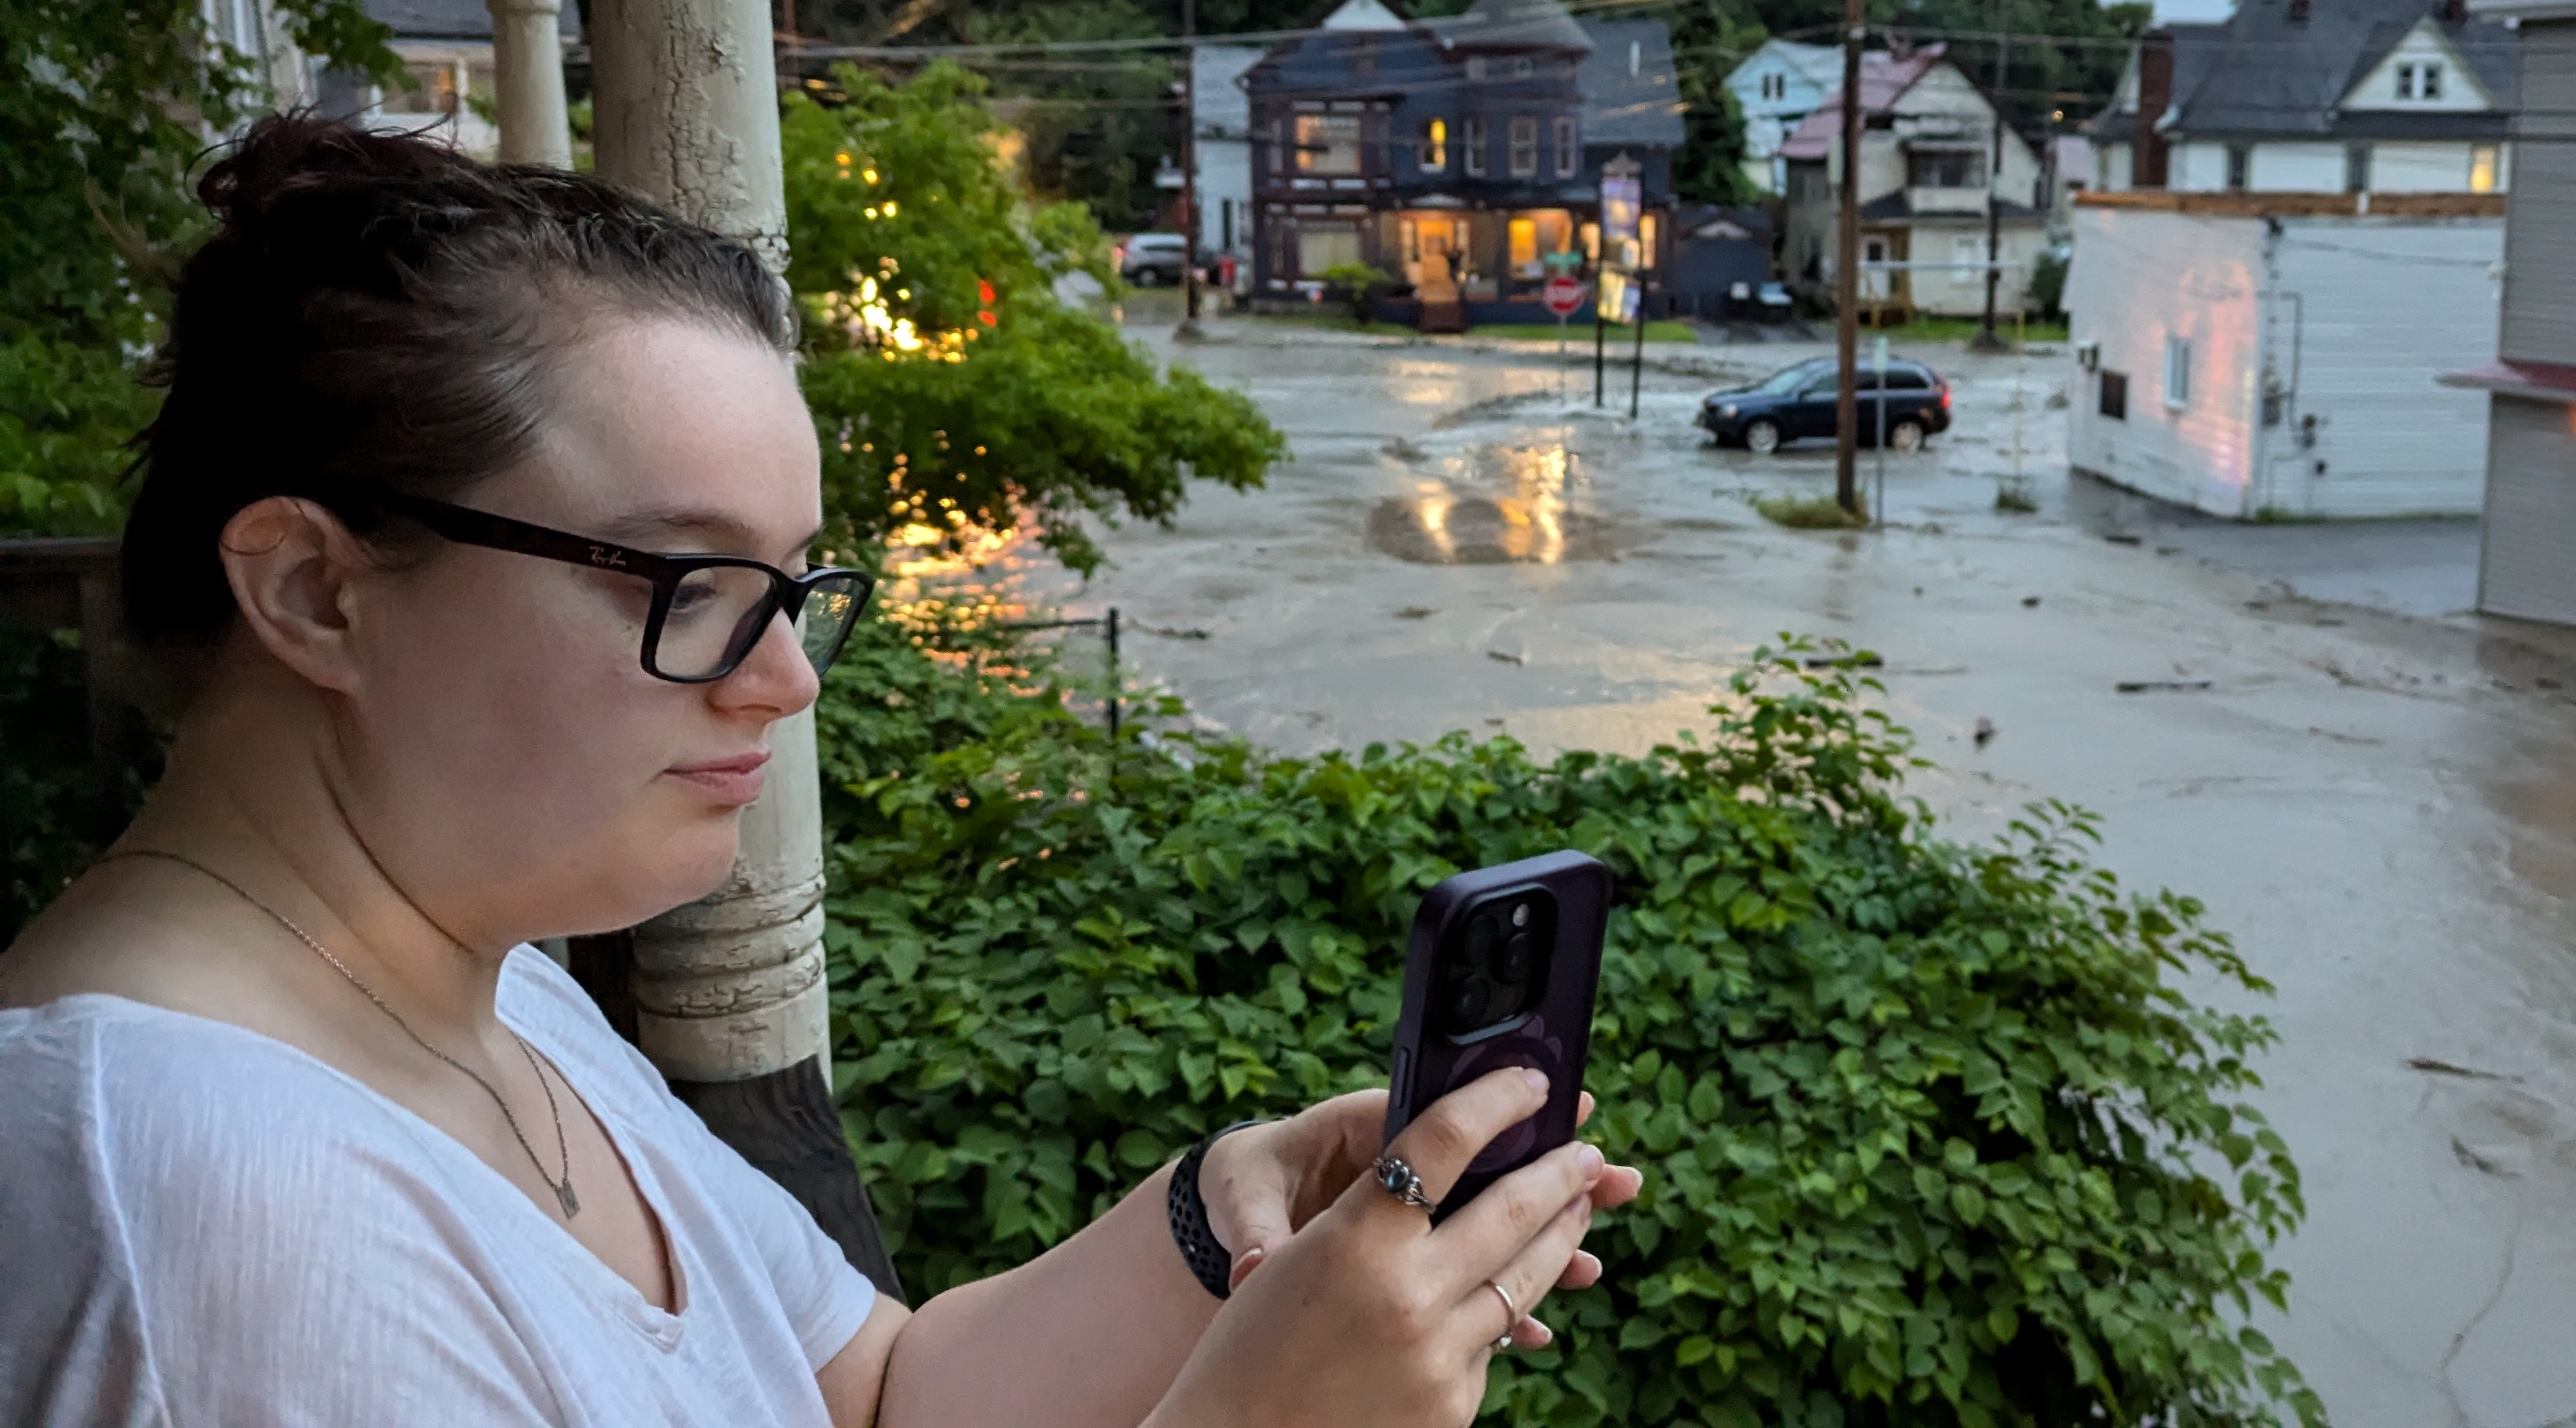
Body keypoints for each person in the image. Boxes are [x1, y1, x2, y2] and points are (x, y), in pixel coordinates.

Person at [0, 119, 1641, 1426]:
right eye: (686, 587)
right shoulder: (197, 1208)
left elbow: (868, 1394)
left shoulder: (491, 990)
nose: (784, 678)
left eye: (789, 592)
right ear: (314, 590)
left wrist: (1215, 1231)